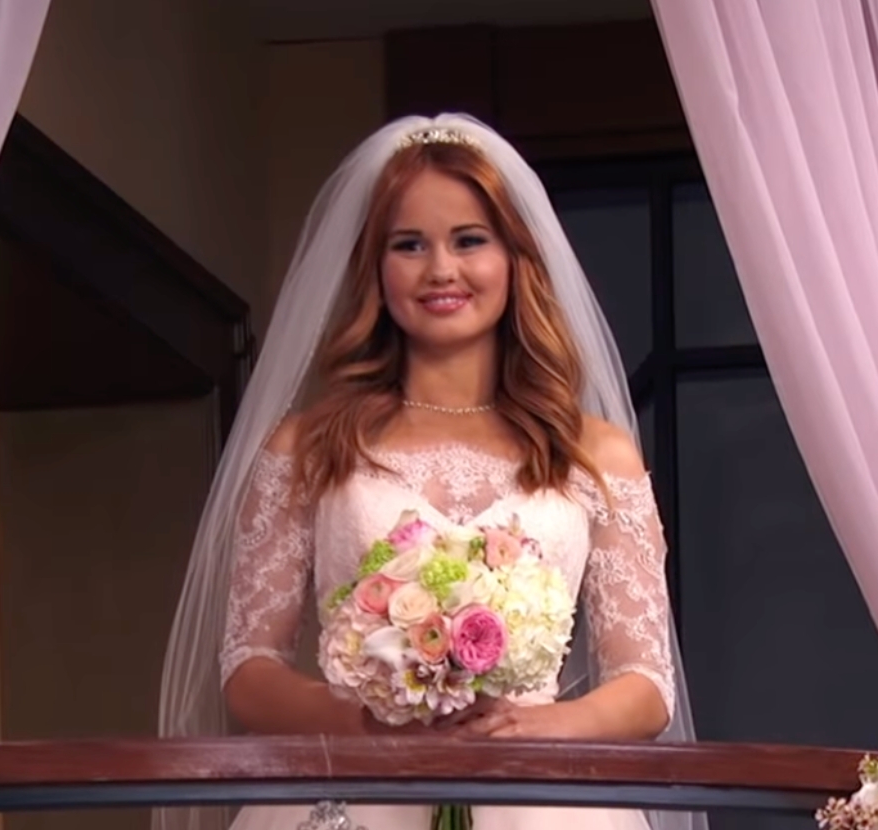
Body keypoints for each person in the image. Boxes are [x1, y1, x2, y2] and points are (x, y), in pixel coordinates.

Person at [156, 114, 701, 830]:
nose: (441, 269)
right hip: (354, 795)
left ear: (515, 259)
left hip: (538, 801)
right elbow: (248, 666)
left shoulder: (594, 455)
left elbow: (647, 682)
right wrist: (363, 719)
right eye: (409, 245)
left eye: (469, 241)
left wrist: (544, 729)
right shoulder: (308, 447)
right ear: (376, 269)